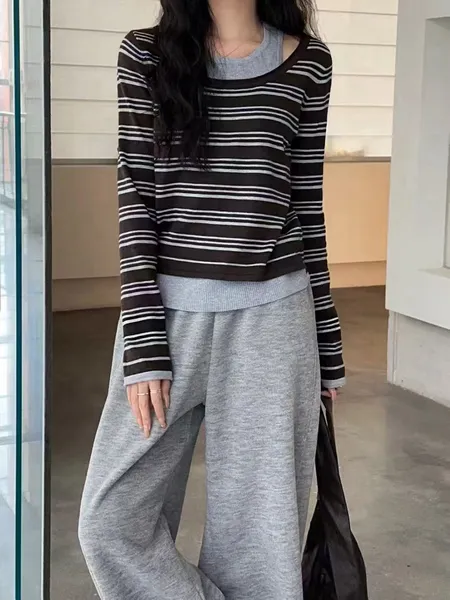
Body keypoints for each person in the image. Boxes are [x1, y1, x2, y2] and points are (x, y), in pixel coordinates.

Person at [78, 0, 345, 598]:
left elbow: (307, 202)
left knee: (259, 550)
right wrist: (144, 341)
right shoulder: (145, 55)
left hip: (275, 323)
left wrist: (327, 349)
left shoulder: (309, 62)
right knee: (109, 523)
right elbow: (135, 196)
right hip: (170, 323)